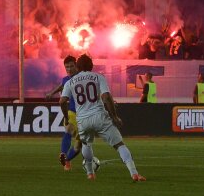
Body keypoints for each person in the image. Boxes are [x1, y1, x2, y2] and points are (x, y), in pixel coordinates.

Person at [60, 54, 145, 183]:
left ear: (77, 66)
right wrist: (114, 117)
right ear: (91, 66)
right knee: (119, 145)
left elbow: (62, 101)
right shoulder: (98, 77)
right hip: (99, 116)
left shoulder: (70, 82)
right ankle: (134, 174)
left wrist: (66, 118)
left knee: (86, 144)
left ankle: (90, 174)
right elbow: (106, 97)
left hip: (82, 120)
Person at [46, 56, 83, 171]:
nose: (69, 69)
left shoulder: (83, 77)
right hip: (72, 112)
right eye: (67, 67)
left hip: (85, 115)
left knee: (78, 146)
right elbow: (62, 85)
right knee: (69, 129)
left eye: (71, 66)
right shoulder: (66, 79)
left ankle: (67, 160)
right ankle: (63, 153)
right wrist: (51, 93)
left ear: (76, 66)